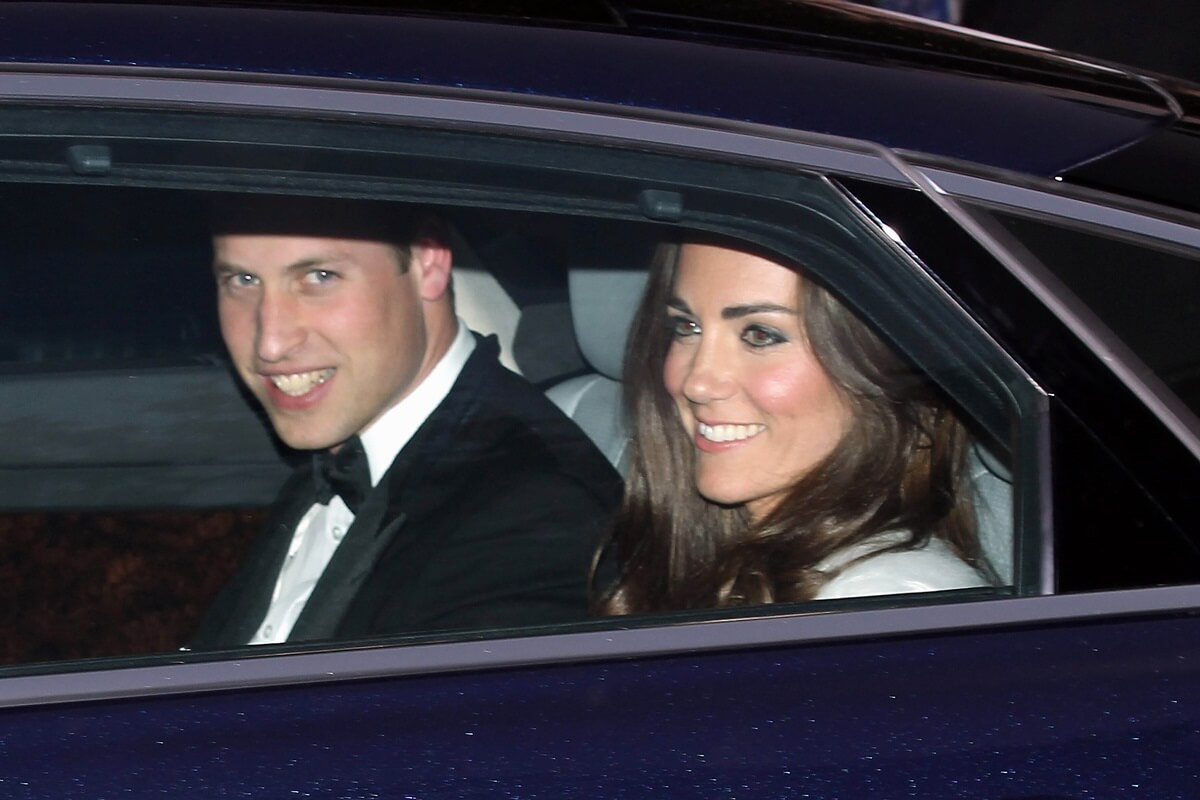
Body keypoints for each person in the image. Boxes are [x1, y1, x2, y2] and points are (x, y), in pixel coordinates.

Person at [191, 195, 622, 648]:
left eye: (320, 277)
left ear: (428, 263)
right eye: (242, 280)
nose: (270, 342)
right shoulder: (331, 465)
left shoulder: (538, 515)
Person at [595, 239, 991, 614]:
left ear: (883, 370)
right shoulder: (699, 562)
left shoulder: (883, 601)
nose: (696, 382)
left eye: (760, 335)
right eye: (686, 328)